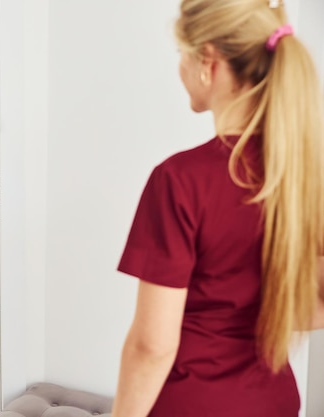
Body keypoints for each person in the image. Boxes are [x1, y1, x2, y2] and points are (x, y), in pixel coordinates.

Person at [111, 1, 324, 416]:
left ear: (207, 61)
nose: (181, 69)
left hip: (191, 404)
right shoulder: (305, 178)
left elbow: (152, 345)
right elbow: (311, 306)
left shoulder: (180, 180)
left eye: (181, 55)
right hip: (274, 402)